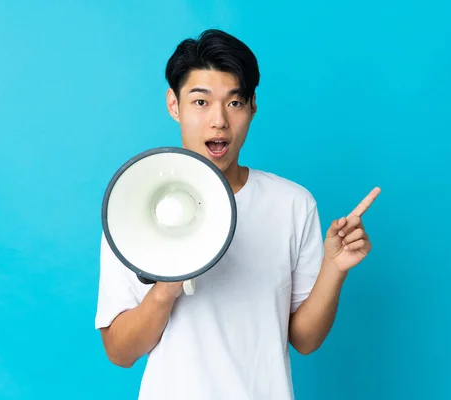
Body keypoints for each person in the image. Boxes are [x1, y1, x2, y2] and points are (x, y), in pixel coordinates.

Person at [95, 28, 381, 399]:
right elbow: (119, 352)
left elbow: (305, 340)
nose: (219, 121)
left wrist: (334, 269)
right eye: (200, 102)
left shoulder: (292, 203)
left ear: (252, 107)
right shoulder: (132, 204)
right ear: (173, 105)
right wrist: (166, 288)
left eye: (234, 102)